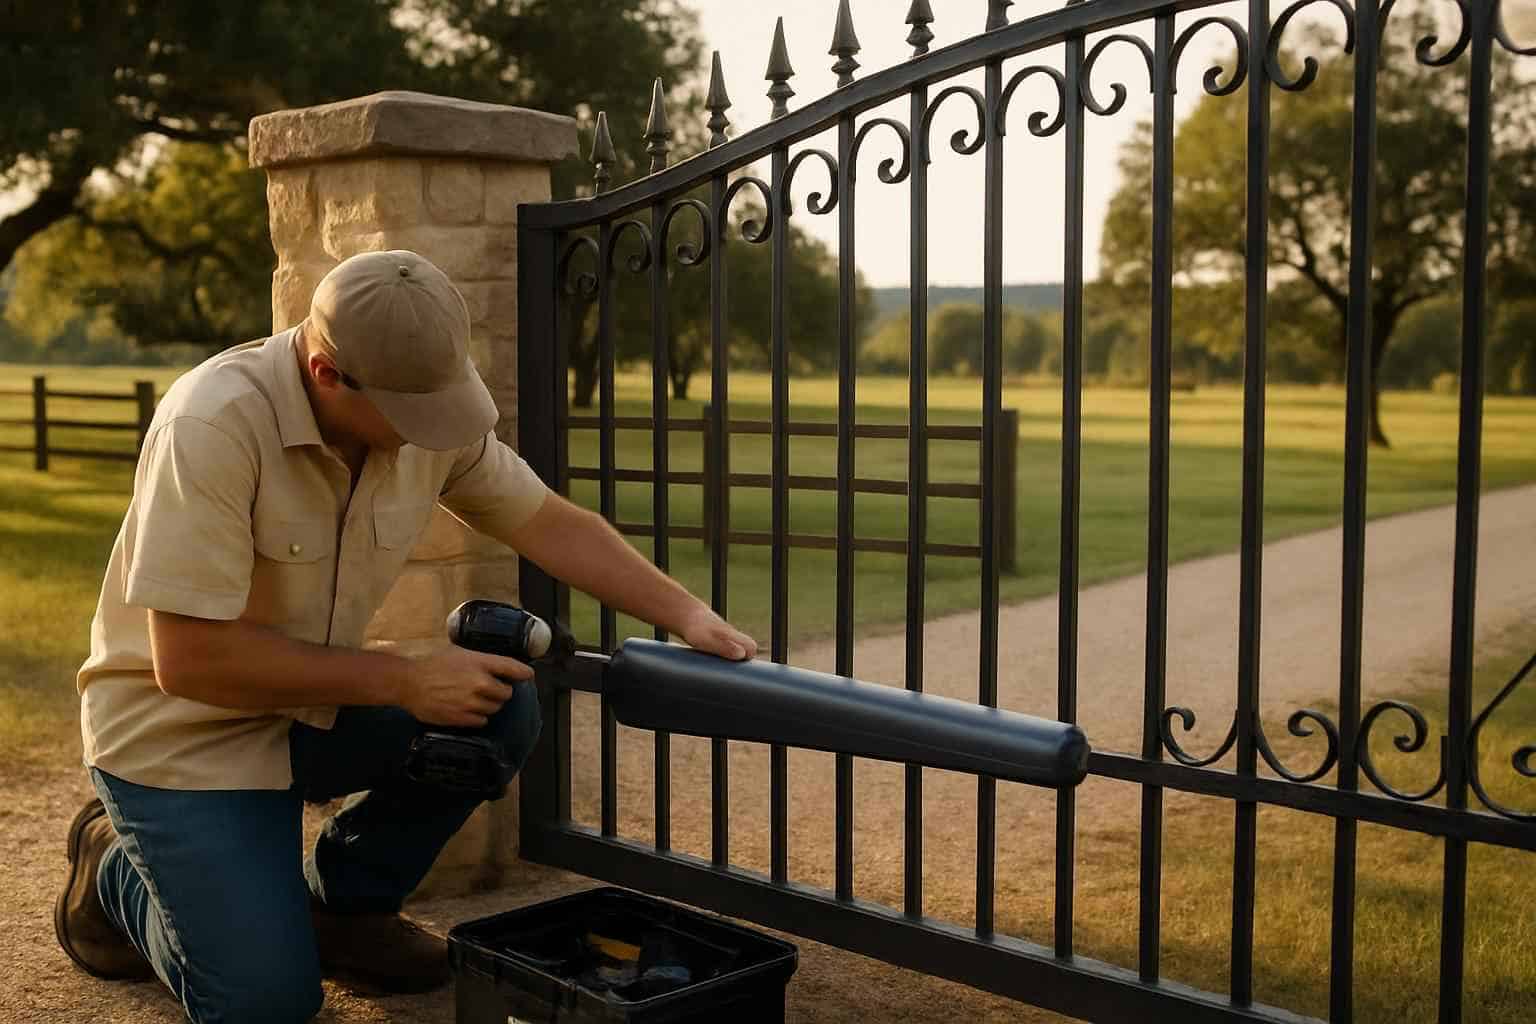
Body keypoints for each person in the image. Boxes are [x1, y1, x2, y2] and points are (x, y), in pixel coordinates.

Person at [54, 249, 757, 1023]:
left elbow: (546, 520)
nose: (432, 432)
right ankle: (113, 868)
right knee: (265, 1004)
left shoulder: (423, 399)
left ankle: (345, 912)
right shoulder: (212, 423)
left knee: (496, 709)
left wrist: (686, 613)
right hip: (181, 738)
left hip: (307, 709)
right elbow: (188, 662)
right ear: (326, 373)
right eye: (410, 414)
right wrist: (402, 679)